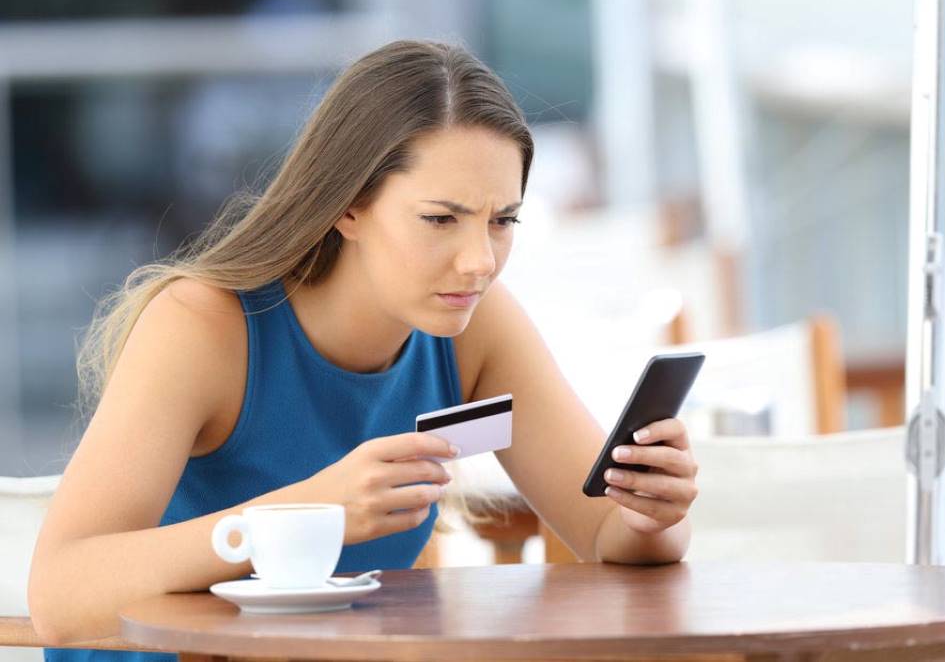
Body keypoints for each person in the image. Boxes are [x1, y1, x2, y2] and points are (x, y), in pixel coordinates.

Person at [28, 40, 699, 661]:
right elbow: (60, 598)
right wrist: (302, 515)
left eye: (502, 221)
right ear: (347, 205)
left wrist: (651, 517)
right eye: (440, 219)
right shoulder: (203, 326)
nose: (478, 261)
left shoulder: (476, 329)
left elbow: (606, 535)